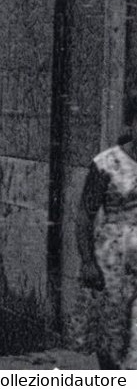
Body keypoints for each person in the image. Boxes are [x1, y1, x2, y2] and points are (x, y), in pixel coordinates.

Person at [79, 94, 137, 368]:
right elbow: (84, 214)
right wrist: (88, 261)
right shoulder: (106, 163)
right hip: (113, 261)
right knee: (112, 336)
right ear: (132, 124)